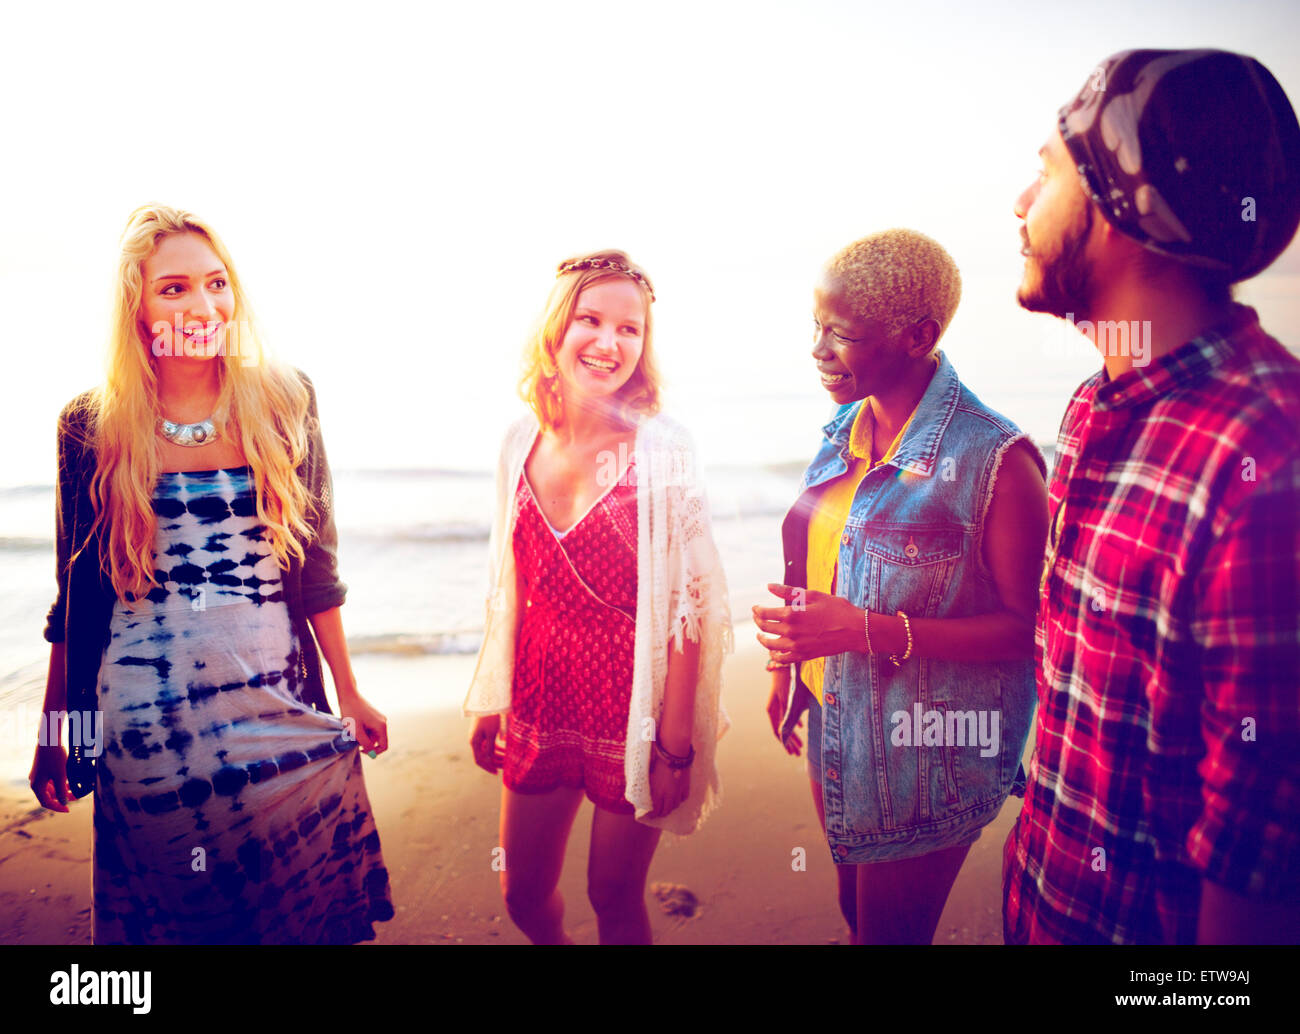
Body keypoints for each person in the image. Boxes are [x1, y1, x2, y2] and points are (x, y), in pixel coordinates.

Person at [29, 204, 394, 944]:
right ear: (136, 301)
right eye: (173, 289)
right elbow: (80, 594)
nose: (203, 306)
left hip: (277, 696)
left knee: (297, 912)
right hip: (146, 720)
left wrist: (348, 688)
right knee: (185, 920)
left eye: (216, 283)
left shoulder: (285, 399)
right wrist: (59, 729)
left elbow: (316, 564)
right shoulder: (91, 424)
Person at [1003, 49, 1300, 945]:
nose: (1020, 204)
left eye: (1046, 171)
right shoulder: (1097, 405)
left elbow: (1258, 872)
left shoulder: (1268, 465)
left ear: (1117, 209)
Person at [755, 229, 1048, 944]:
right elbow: (819, 570)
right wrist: (790, 668)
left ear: (918, 336)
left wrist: (860, 631)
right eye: (816, 327)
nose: (818, 350)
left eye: (842, 335)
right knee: (856, 912)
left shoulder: (995, 461)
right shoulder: (843, 430)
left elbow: (1029, 630)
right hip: (834, 718)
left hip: (925, 750)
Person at [465, 250, 731, 945]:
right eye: (590, 320)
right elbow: (509, 586)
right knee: (520, 892)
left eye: (630, 329)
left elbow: (689, 606)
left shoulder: (662, 449)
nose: (609, 343)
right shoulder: (518, 441)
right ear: (556, 331)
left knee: (612, 894)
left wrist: (675, 746)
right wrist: (494, 696)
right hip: (540, 686)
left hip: (632, 697)